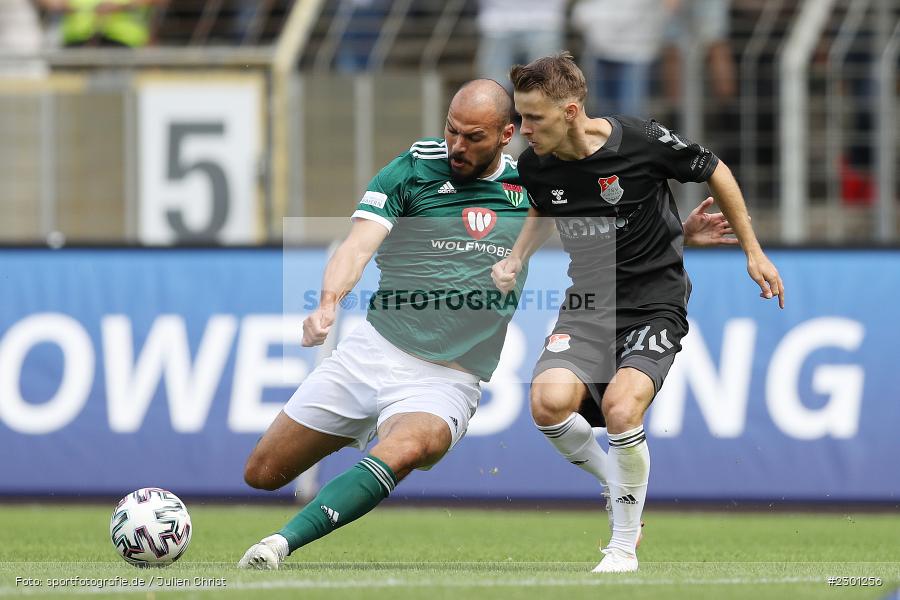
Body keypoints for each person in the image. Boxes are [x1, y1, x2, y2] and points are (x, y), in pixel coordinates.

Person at [238, 78, 737, 570]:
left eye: (473, 137)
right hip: (373, 350)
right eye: (452, 130)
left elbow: (610, 234)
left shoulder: (534, 182)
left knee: (412, 444)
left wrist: (679, 235)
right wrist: (328, 303)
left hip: (447, 379)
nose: (457, 145)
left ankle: (279, 545)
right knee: (262, 473)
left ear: (506, 134)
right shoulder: (412, 171)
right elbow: (356, 245)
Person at [492, 52, 783, 574]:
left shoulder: (641, 140)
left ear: (571, 111)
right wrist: (517, 256)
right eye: (521, 116)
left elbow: (714, 168)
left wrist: (752, 250)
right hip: (589, 303)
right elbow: (544, 207)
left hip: (655, 303)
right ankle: (615, 482)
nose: (523, 129)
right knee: (546, 403)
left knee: (624, 410)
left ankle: (622, 547)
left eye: (534, 118)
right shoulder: (537, 164)